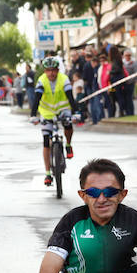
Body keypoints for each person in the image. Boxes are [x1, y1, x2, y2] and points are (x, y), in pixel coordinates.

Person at [35, 56, 79, 186]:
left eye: (53, 70)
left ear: (58, 70)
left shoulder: (63, 79)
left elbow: (71, 97)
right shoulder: (41, 81)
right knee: (46, 141)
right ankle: (48, 173)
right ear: (45, 71)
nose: (51, 73)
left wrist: (76, 112)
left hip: (63, 109)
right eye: (48, 70)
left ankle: (68, 145)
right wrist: (33, 115)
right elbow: (36, 99)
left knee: (68, 125)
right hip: (47, 112)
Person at [82, 51, 102, 125]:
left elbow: (84, 77)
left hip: (90, 87)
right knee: (97, 103)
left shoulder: (87, 65)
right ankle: (98, 119)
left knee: (93, 104)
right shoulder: (97, 66)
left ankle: (95, 120)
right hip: (94, 87)